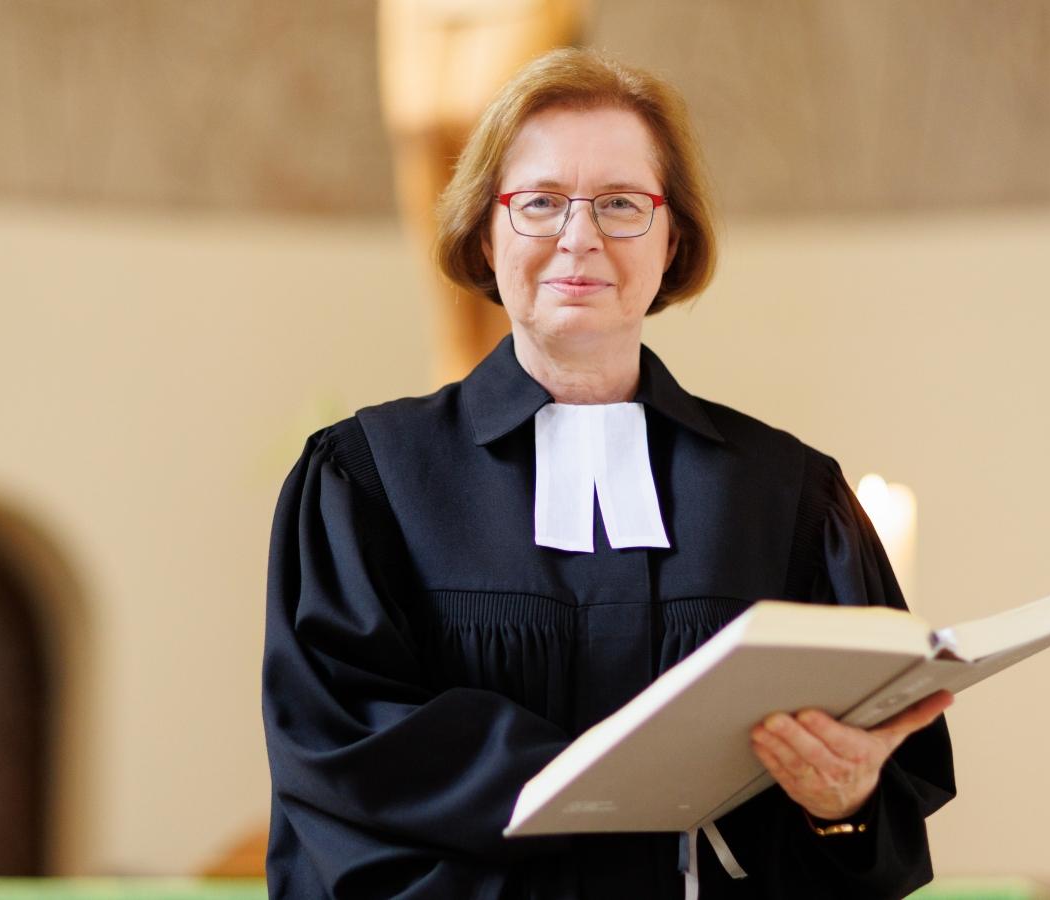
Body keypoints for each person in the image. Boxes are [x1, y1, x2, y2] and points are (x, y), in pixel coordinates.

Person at [262, 47, 955, 899]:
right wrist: (614, 786)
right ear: (486, 230)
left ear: (674, 240)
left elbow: (871, 829)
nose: (578, 236)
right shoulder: (368, 482)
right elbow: (345, 767)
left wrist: (843, 805)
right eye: (541, 202)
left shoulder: (789, 497)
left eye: (622, 204)